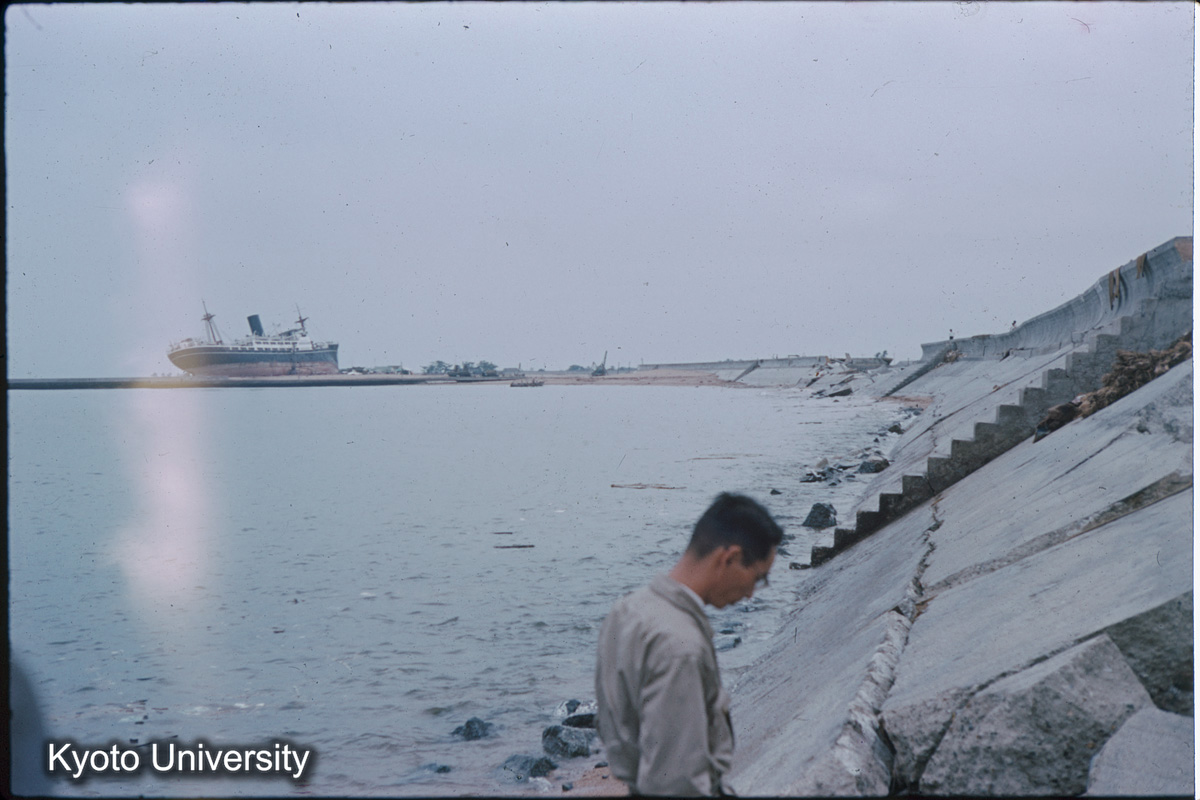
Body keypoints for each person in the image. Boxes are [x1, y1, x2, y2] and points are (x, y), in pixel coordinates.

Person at [595, 492, 783, 796]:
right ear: (730, 558)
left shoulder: (626, 611)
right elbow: (674, 783)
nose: (751, 594)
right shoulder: (680, 645)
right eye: (759, 578)